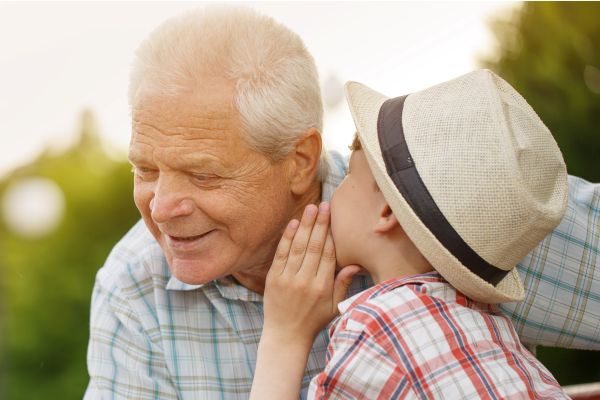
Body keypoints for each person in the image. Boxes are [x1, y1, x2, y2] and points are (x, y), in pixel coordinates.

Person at [85, 6, 600, 399]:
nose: (162, 206)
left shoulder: (448, 211)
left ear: (300, 160)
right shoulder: (135, 287)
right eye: (145, 170)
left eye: (203, 175)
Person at [250, 70, 570, 399]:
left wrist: (284, 335)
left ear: (387, 211)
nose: (334, 193)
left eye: (348, 175)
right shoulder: (496, 332)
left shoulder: (373, 332)